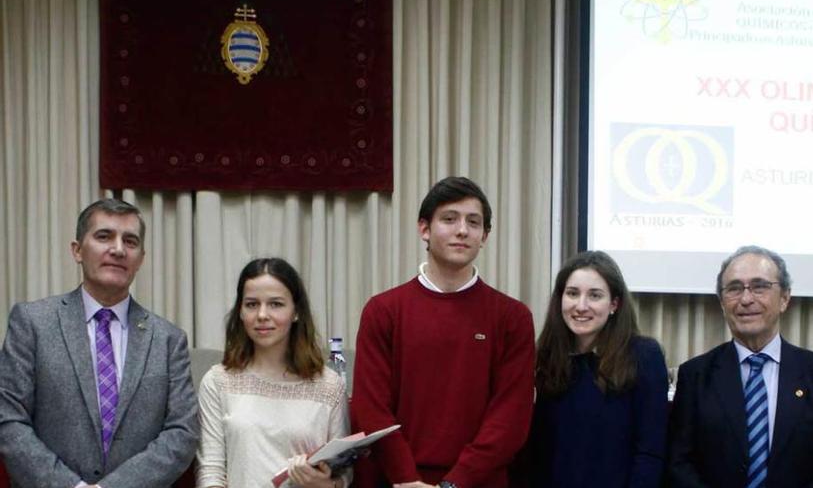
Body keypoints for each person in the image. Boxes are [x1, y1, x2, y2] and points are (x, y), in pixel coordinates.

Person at [0, 198, 199, 487]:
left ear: (141, 259)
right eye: (104, 236)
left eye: (130, 241)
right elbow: (8, 419)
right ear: (77, 250)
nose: (118, 249)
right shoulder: (32, 322)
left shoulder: (169, 339)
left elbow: (183, 432)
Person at [350, 176, 535, 488]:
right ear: (424, 228)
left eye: (474, 222)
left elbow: (510, 418)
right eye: (449, 219)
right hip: (396, 482)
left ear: (484, 236)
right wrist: (406, 479)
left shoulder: (512, 317)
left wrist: (455, 484)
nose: (462, 230)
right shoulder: (383, 310)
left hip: (478, 482)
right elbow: (371, 408)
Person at [667, 245, 813, 488]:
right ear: (721, 302)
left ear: (785, 298)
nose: (746, 299)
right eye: (734, 289)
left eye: (759, 287)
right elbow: (678, 463)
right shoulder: (695, 376)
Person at [196, 257, 350, 488]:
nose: (262, 315)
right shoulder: (217, 382)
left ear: (296, 312)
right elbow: (210, 472)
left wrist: (323, 484)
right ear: (240, 311)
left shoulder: (330, 385)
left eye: (276, 304)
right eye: (251, 304)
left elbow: (344, 474)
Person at [527, 251, 667, 487]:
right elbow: (536, 453)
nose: (581, 306)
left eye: (595, 295)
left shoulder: (643, 355)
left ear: (614, 304)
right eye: (572, 293)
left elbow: (650, 452)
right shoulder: (545, 358)